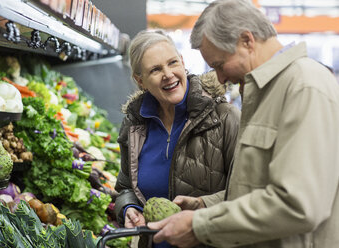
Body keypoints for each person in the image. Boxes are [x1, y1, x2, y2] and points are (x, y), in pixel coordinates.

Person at [147, 0, 339, 247]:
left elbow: (298, 204)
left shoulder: (303, 87)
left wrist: (201, 225)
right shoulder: (264, 92)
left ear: (247, 41)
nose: (220, 77)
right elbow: (258, 187)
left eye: (219, 64)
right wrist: (206, 205)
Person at [114, 30, 240, 248]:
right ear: (139, 80)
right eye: (155, 69)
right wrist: (128, 208)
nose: (168, 74)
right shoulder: (134, 125)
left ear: (182, 62)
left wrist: (202, 205)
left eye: (172, 63)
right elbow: (125, 187)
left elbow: (248, 194)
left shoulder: (224, 118)